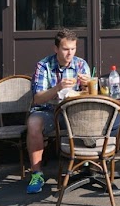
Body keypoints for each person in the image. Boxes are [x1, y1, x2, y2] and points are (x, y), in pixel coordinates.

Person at [26, 28, 90, 194]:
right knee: (33, 123)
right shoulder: (44, 66)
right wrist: (58, 87)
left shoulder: (81, 64)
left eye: (73, 49)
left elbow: (90, 97)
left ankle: (89, 168)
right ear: (56, 49)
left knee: (94, 118)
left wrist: (88, 85)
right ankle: (37, 174)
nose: (70, 54)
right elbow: (37, 99)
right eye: (65, 49)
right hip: (48, 111)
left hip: (73, 112)